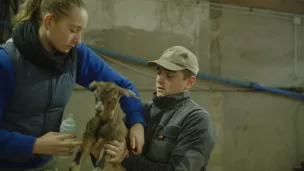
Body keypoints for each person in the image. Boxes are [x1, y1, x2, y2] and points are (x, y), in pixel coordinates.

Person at [0, 0, 145, 170]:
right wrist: (34, 145)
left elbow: (122, 85)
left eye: (81, 31)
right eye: (73, 30)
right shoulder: (7, 63)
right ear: (48, 22)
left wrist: (137, 123)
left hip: (45, 163)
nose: (78, 40)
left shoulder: (76, 55)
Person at [95, 46, 216, 171]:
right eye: (159, 73)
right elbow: (109, 151)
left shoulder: (197, 120)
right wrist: (102, 150)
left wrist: (127, 159)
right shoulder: (141, 111)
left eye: (169, 75)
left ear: (189, 82)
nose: (159, 79)